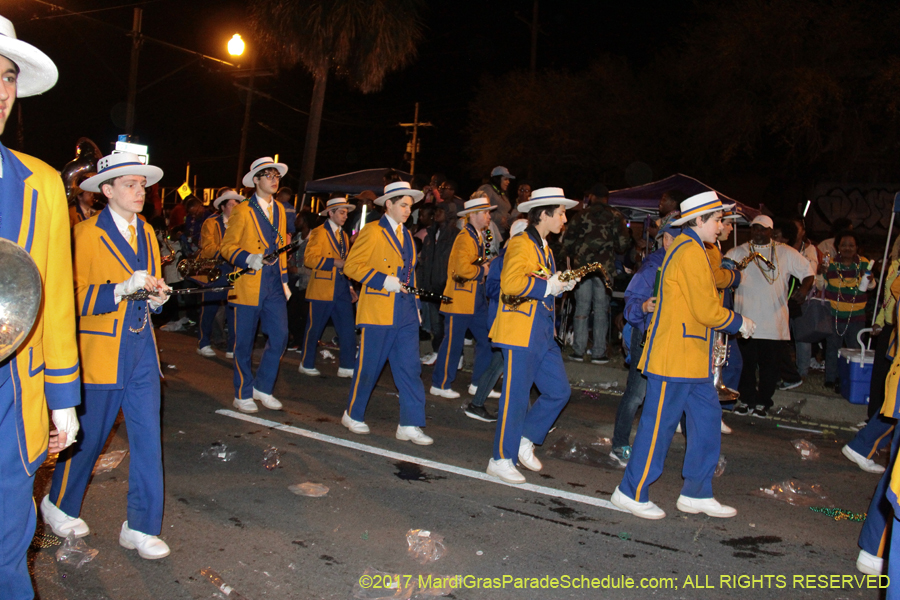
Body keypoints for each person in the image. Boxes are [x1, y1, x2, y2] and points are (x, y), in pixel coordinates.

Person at [43, 152, 172, 562]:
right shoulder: (83, 234)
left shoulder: (147, 232)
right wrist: (119, 289)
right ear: (107, 190)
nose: (139, 191)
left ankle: (141, 526)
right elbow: (68, 297)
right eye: (130, 184)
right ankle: (58, 504)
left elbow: (149, 286)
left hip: (142, 350)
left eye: (142, 185)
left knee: (148, 439)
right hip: (101, 350)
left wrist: (156, 298)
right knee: (90, 437)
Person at [0, 19, 81, 598]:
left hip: (14, 392)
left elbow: (53, 298)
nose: (1, 90)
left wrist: (63, 397)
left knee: (10, 543)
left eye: (7, 77)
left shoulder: (43, 183)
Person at [611, 191, 754, 520]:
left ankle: (696, 492)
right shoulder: (689, 251)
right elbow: (705, 308)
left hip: (691, 359)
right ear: (699, 220)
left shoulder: (696, 250)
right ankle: (630, 491)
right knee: (658, 427)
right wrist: (739, 322)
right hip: (673, 358)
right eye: (717, 220)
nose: (721, 226)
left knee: (707, 422)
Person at [486, 187, 579, 484]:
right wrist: (549, 286)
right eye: (561, 213)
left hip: (542, 331)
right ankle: (501, 459)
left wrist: (560, 284)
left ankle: (525, 439)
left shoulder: (545, 248)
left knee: (559, 391)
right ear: (544, 214)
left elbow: (542, 284)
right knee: (515, 398)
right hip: (520, 332)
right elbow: (512, 283)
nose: (564, 218)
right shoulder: (521, 243)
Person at [341, 182, 432, 444]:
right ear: (388, 204)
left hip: (405, 311)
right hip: (379, 310)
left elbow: (411, 275)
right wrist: (382, 280)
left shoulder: (408, 236)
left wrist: (416, 307)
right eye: (403, 205)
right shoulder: (372, 231)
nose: (408, 210)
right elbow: (351, 266)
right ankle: (353, 414)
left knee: (410, 368)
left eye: (410, 206)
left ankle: (410, 423)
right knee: (369, 366)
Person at [220, 157, 290, 414]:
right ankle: (242, 393)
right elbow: (226, 246)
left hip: (274, 283)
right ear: (256, 180)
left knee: (280, 336)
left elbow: (280, 246)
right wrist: (248, 258)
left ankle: (263, 387)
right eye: (268, 175)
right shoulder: (242, 210)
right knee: (244, 342)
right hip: (249, 282)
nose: (274, 180)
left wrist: (284, 280)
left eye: (276, 176)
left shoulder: (280, 209)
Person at [726, 215, 814, 417]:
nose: (758, 232)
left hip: (773, 321)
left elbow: (809, 272)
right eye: (755, 228)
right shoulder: (738, 252)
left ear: (771, 232)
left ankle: (763, 402)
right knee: (745, 365)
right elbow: (722, 273)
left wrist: (803, 290)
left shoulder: (786, 252)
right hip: (745, 320)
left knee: (770, 367)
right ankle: (746, 400)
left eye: (763, 229)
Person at [609, 222, 680, 466]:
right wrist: (643, 307)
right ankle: (619, 444)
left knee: (668, 394)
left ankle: (651, 447)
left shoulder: (683, 263)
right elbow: (631, 304)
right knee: (637, 394)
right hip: (647, 336)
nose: (670, 243)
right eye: (668, 238)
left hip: (671, 337)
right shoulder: (653, 266)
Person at [430, 196, 498, 400]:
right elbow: (461, 269)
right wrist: (483, 270)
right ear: (473, 215)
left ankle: (479, 384)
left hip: (474, 298)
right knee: (454, 343)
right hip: (460, 299)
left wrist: (484, 265)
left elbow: (471, 263)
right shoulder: (465, 237)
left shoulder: (476, 236)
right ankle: (440, 383)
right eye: (485, 212)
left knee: (487, 340)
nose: (489, 216)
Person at [466, 219, 530, 422]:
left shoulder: (519, 259)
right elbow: (492, 289)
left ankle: (477, 404)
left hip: (512, 321)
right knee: (516, 368)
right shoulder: (501, 261)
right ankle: (527, 417)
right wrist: (518, 290)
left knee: (501, 365)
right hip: (503, 321)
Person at [561, 183, 632, 363]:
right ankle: (599, 352)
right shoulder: (615, 216)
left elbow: (567, 241)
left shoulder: (580, 215)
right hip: (604, 270)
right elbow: (623, 244)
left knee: (581, 308)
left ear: (591, 197)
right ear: (606, 198)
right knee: (601, 310)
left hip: (582, 269)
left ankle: (578, 350)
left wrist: (578, 253)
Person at [299, 197, 357, 378]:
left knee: (347, 328)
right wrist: (333, 262)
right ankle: (306, 363)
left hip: (341, 287)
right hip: (322, 288)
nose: (345, 216)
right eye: (342, 212)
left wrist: (350, 286)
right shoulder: (319, 232)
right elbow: (309, 259)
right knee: (314, 328)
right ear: (330, 213)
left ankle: (347, 365)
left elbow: (345, 264)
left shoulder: (344, 235)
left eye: (346, 213)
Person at [196, 189, 242, 358]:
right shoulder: (211, 223)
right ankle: (203, 343)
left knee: (233, 309)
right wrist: (230, 251)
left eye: (237, 205)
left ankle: (232, 347)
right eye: (231, 205)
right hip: (216, 270)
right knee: (209, 308)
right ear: (222, 207)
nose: (234, 208)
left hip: (235, 270)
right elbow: (208, 248)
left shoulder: (241, 224)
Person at [823, 230, 872, 391]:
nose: (847, 248)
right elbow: (820, 285)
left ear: (857, 247)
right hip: (834, 314)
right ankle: (831, 379)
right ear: (837, 247)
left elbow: (871, 287)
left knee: (855, 349)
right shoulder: (830, 264)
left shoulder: (864, 263)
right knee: (832, 348)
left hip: (856, 316)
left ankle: (852, 379)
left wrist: (871, 280)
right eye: (843, 245)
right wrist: (820, 272)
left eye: (851, 245)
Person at [418, 202, 458, 365]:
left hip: (446, 287)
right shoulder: (431, 234)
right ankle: (437, 352)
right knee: (436, 325)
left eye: (441, 211)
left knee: (448, 325)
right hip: (431, 286)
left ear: (449, 213)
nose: (436, 214)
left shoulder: (455, 235)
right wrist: (422, 283)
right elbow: (424, 261)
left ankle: (453, 356)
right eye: (436, 211)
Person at [478, 166, 514, 232]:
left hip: (500, 232)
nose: (508, 182)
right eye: (505, 179)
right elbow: (479, 210)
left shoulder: (500, 193)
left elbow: (503, 212)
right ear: (497, 179)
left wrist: (512, 220)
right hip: (489, 231)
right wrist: (499, 219)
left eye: (508, 179)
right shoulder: (487, 189)